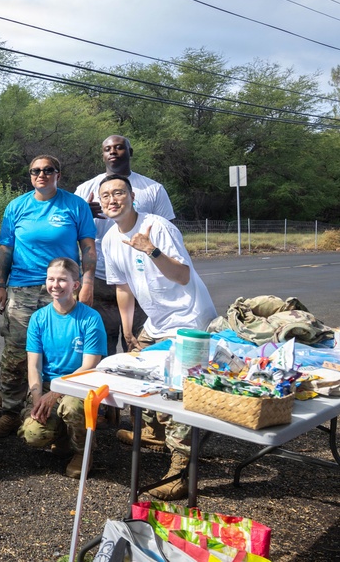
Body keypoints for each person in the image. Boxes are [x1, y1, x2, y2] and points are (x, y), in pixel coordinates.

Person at [99, 174, 217, 500]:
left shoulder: (159, 227)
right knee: (138, 372)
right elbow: (122, 287)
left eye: (118, 193)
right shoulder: (110, 239)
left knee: (177, 391)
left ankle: (180, 471)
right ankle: (154, 430)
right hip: (157, 322)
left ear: (132, 196)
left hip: (190, 319)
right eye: (106, 195)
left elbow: (182, 275)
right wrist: (127, 329)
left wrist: (151, 250)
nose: (112, 200)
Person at [0, 155, 96, 438]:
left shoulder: (75, 205)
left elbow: (87, 247)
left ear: (58, 174)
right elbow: (5, 249)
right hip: (22, 289)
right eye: (36, 171)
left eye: (48, 170)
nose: (41, 175)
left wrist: (87, 282)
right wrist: (0, 285)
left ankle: (60, 410)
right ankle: (11, 411)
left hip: (60, 287)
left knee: (59, 353)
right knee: (15, 354)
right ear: (30, 175)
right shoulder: (17, 206)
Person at [74, 136, 175, 354]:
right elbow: (69, 233)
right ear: (102, 155)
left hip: (140, 277)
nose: (113, 152)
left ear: (130, 152)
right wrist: (83, 214)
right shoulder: (85, 189)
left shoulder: (153, 189)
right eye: (107, 149)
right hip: (99, 279)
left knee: (139, 344)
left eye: (119, 147)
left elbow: (167, 232)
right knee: (101, 346)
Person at [19, 258, 106, 478]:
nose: (55, 285)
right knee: (32, 435)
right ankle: (63, 436)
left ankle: (84, 452)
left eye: (62, 280)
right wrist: (38, 396)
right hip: (49, 386)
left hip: (80, 384)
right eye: (51, 279)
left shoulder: (90, 318)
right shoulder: (39, 318)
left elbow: (89, 367)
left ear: (75, 285)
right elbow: (34, 364)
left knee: (72, 407)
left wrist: (54, 393)